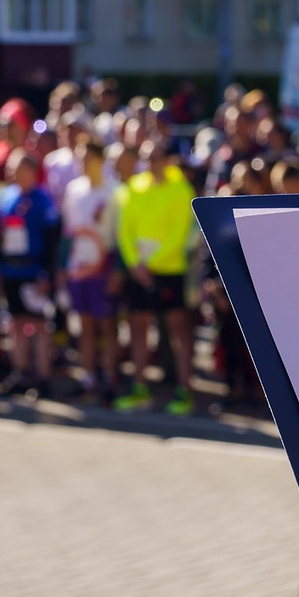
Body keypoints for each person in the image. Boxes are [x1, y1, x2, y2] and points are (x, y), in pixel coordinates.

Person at [114, 138, 196, 414]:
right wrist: (136, 264)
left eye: (156, 157)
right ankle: (140, 389)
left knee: (178, 332)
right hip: (140, 272)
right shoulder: (133, 188)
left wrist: (151, 264)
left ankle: (184, 391)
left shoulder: (181, 189)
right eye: (147, 158)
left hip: (169, 271)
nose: (151, 163)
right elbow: (125, 230)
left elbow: (180, 233)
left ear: (167, 160)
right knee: (138, 330)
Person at [0, 150, 61, 399]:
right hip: (11, 270)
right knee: (15, 323)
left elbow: (53, 239)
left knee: (40, 326)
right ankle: (20, 374)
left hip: (34, 271)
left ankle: (43, 378)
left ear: (30, 170)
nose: (10, 173)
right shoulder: (6, 197)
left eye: (16, 168)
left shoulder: (43, 199)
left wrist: (47, 273)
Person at [60, 141, 121, 402]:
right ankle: (89, 377)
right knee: (84, 323)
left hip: (104, 264)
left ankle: (112, 378)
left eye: (87, 158)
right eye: (79, 159)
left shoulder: (114, 191)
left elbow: (119, 235)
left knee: (107, 325)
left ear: (99, 160)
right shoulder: (74, 190)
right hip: (79, 265)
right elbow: (67, 232)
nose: (82, 164)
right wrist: (63, 268)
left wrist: (118, 271)